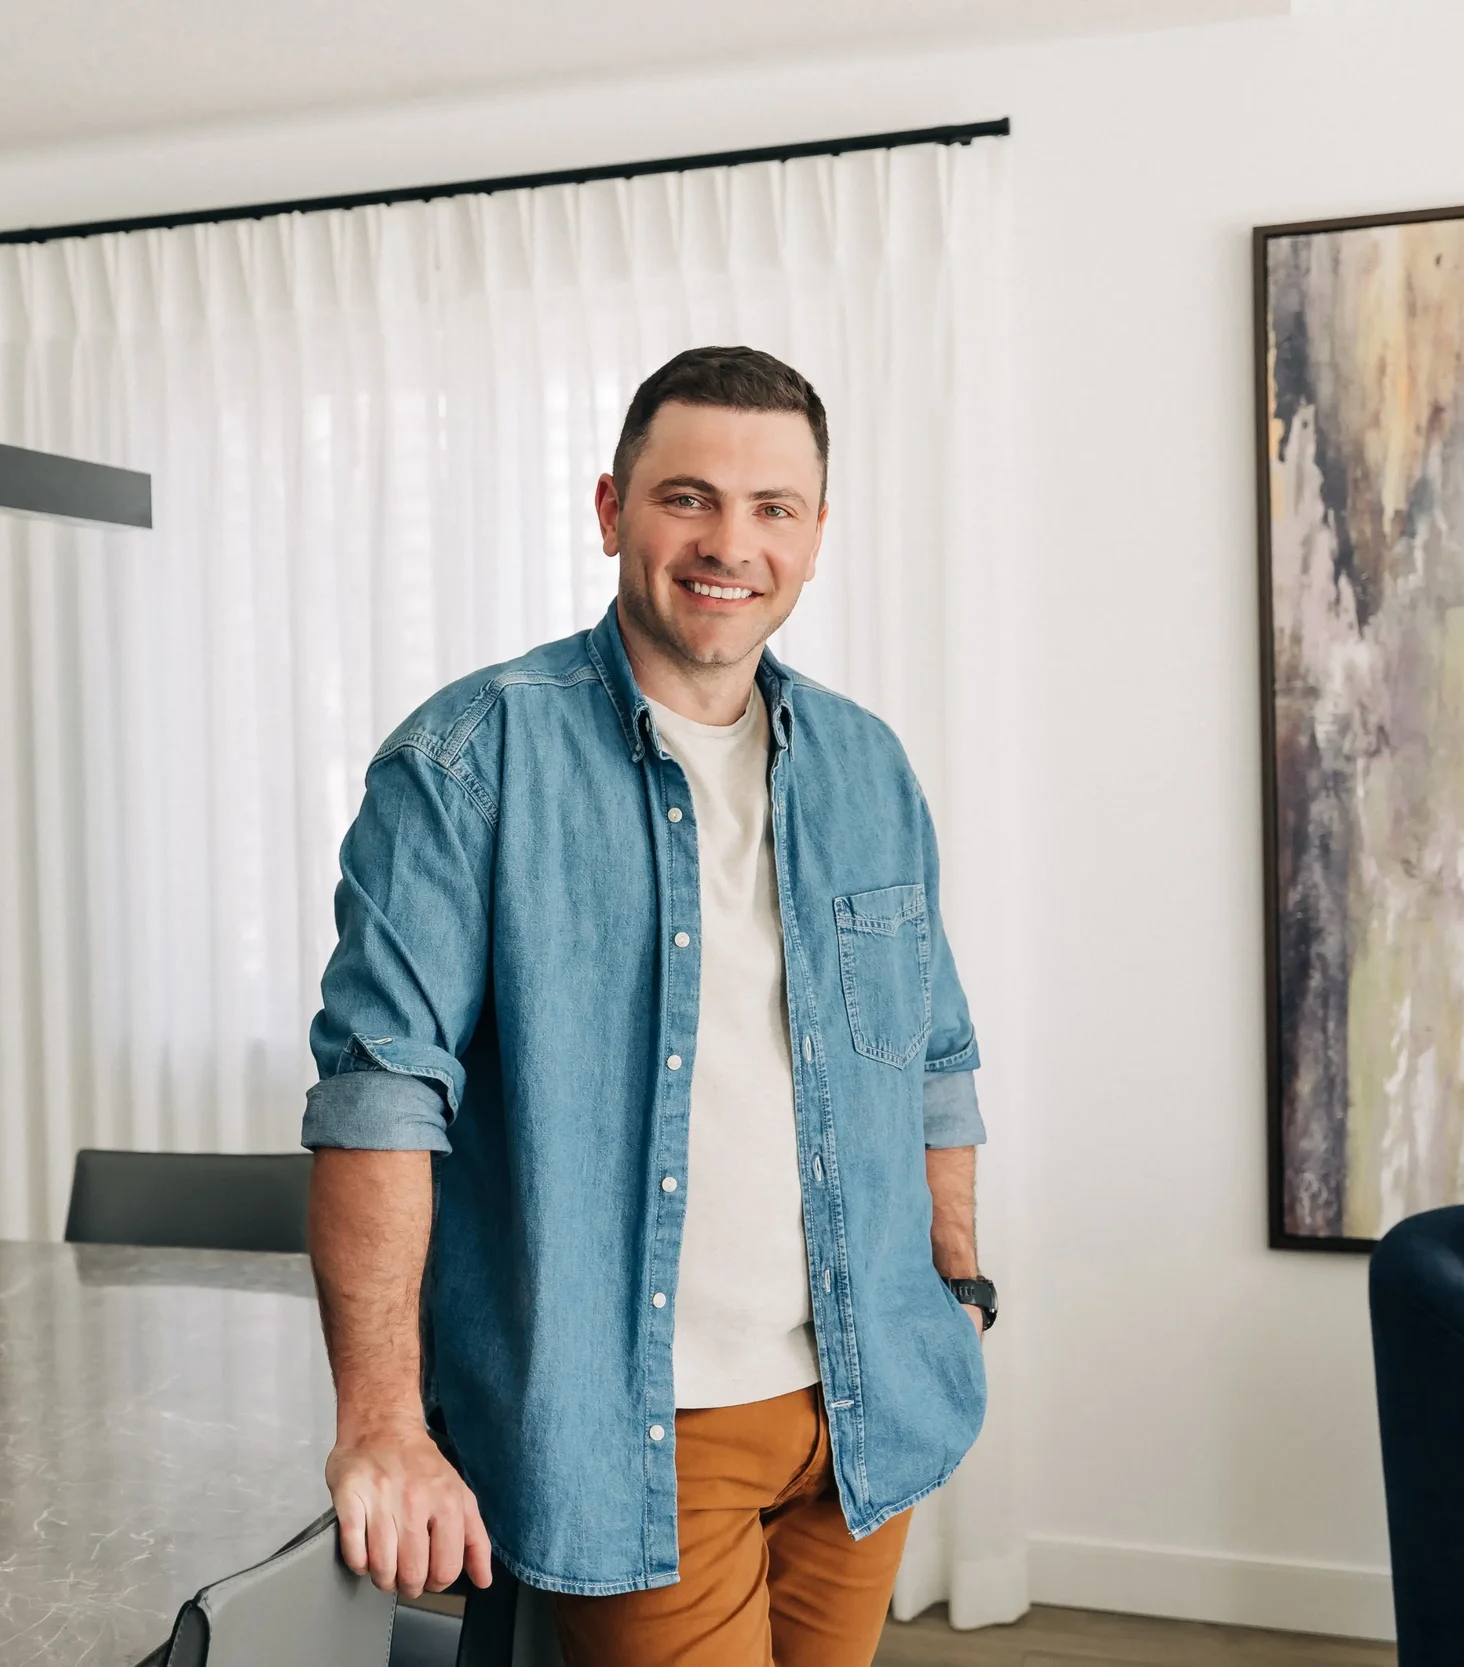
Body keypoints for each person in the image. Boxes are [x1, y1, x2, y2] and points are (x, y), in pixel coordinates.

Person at [302, 344, 992, 1667]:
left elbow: (934, 1055)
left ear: (816, 534)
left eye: (772, 507)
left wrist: (955, 1280)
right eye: (689, 497)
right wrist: (382, 1418)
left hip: (866, 1399)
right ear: (613, 508)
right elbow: (378, 1102)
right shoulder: (468, 761)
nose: (729, 541)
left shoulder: (867, 766)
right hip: (641, 1431)